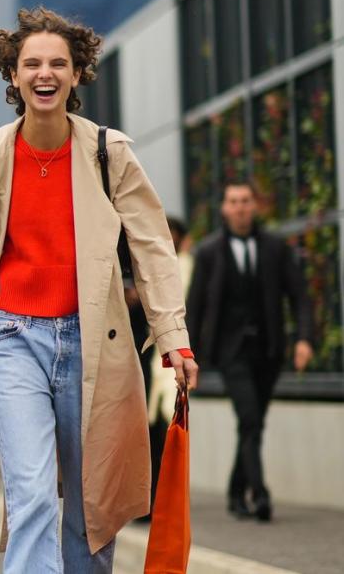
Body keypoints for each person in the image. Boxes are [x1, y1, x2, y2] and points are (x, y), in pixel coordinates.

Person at [0, 7, 197, 573]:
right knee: (30, 498)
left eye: (58, 62)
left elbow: (153, 246)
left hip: (95, 343)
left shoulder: (111, 153)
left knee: (90, 506)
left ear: (77, 73)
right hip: (12, 340)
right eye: (31, 63)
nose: (44, 73)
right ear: (12, 75)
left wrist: (173, 336)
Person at [186, 181, 313, 522]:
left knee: (252, 424)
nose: (240, 207)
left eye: (245, 201)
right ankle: (259, 492)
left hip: (269, 349)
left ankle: (234, 490)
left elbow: (299, 296)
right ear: (224, 208)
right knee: (250, 418)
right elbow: (195, 307)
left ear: (254, 206)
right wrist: (187, 354)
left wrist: (304, 339)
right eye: (233, 201)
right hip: (231, 352)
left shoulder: (275, 247)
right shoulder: (209, 252)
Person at [143, 216, 192, 520]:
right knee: (153, 436)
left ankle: (164, 504)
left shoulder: (187, 265)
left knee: (169, 434)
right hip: (150, 360)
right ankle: (152, 502)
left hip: (178, 358)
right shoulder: (148, 266)